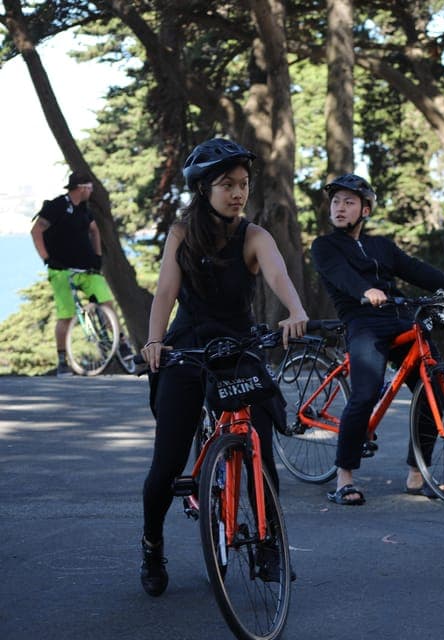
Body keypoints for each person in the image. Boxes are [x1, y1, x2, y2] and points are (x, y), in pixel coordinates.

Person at [138, 138, 308, 597]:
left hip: (238, 350)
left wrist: (295, 311)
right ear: (203, 189)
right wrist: (155, 341)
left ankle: (270, 542)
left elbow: (278, 275)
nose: (238, 193)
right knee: (166, 467)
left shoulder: (255, 236)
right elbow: (165, 294)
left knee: (260, 449)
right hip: (188, 350)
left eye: (243, 185)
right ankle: (153, 544)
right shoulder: (182, 233)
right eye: (227, 185)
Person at [311, 174, 444, 506]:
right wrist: (364, 291)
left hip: (397, 318)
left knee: (434, 387)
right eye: (336, 202)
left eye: (349, 202)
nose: (340, 208)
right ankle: (344, 478)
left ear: (365, 210)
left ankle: (418, 474)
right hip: (362, 322)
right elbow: (341, 277)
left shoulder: (381, 245)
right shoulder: (324, 246)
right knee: (364, 394)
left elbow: (414, 269)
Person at [30, 172, 131, 376]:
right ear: (82, 187)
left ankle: (121, 343)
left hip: (87, 269)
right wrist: (46, 258)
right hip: (61, 270)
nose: (92, 191)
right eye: (90, 188)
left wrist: (98, 255)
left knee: (107, 303)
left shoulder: (85, 210)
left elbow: (94, 230)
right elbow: (36, 230)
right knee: (66, 314)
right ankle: (62, 361)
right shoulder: (57, 206)